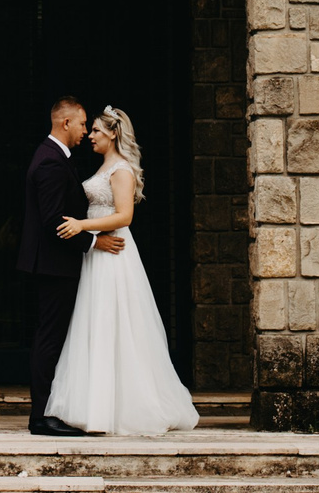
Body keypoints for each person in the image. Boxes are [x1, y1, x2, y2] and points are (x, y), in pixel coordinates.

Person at [43, 105, 199, 435]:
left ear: (113, 134)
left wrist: (82, 225)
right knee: (94, 322)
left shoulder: (122, 169)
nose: (91, 135)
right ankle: (94, 405)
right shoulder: (104, 166)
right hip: (97, 253)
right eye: (90, 129)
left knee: (114, 321)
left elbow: (125, 216)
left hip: (114, 253)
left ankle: (124, 407)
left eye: (97, 130)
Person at [17, 96, 126, 436]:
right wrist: (95, 242)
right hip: (53, 265)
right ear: (66, 123)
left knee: (52, 336)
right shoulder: (51, 161)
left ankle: (53, 410)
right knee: (50, 339)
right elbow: (53, 221)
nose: (84, 132)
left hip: (55, 264)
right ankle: (41, 417)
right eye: (81, 124)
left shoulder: (54, 156)